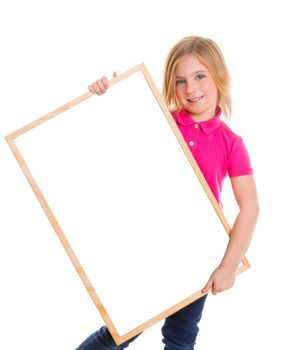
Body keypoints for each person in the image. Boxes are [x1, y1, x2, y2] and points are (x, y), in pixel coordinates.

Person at [76, 36, 259, 350]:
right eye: (180, 81)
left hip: (197, 254)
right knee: (120, 331)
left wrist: (227, 267)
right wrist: (109, 94)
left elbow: (250, 207)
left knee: (181, 337)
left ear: (219, 76)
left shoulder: (232, 142)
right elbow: (117, 127)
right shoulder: (162, 120)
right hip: (151, 246)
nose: (191, 89)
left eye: (200, 76)